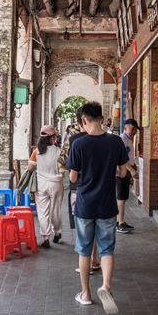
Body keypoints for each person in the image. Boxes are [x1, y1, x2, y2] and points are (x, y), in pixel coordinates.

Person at [66, 101, 131, 315]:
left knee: (84, 250)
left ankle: (85, 294)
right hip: (107, 204)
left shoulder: (78, 144)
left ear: (83, 120)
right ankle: (106, 287)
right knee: (106, 249)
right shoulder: (115, 142)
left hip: (85, 205)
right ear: (102, 119)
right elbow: (122, 173)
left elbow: (73, 177)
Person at [61, 109, 100, 272]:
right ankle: (94, 259)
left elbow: (63, 163)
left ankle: (87, 264)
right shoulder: (104, 139)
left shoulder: (73, 140)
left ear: (80, 121)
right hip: (100, 187)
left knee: (83, 226)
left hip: (79, 188)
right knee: (98, 225)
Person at [28, 125, 64, 248]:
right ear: (52, 137)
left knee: (43, 212)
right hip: (56, 184)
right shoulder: (58, 151)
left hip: (41, 185)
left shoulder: (36, 151)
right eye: (55, 136)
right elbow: (61, 166)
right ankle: (57, 232)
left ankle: (45, 238)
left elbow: (30, 168)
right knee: (55, 210)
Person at [115, 118, 140, 234]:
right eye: (132, 129)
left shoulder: (129, 140)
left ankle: (120, 221)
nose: (134, 131)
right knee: (121, 199)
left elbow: (130, 158)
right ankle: (120, 223)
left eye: (135, 130)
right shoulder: (122, 139)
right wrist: (131, 170)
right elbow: (121, 159)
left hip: (126, 173)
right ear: (125, 128)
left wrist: (131, 174)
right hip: (121, 173)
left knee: (123, 198)